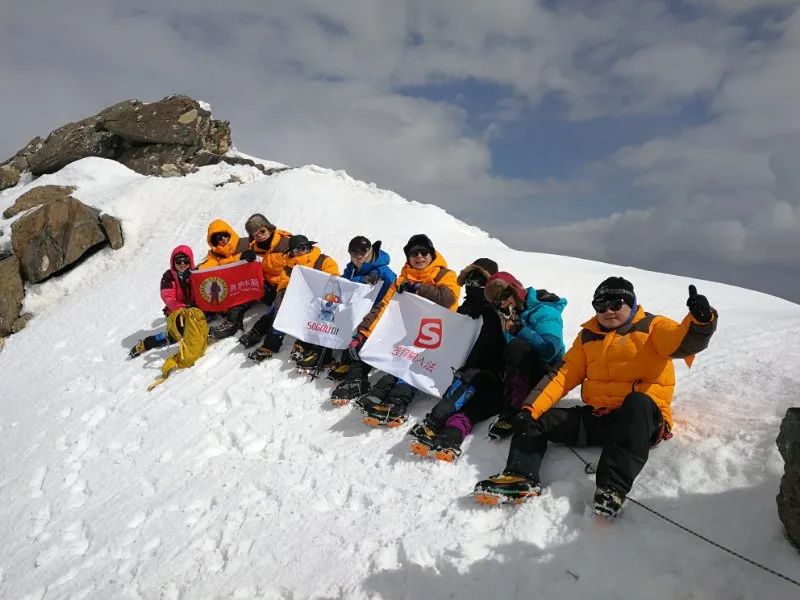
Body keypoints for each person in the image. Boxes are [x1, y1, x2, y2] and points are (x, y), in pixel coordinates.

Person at [474, 277, 718, 518]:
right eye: (601, 306)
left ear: (631, 303)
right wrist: (529, 410)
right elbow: (563, 376)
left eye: (615, 304)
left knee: (638, 401)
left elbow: (682, 341)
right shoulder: (588, 336)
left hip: (640, 422)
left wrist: (701, 322)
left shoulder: (653, 327)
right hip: (600, 418)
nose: (608, 311)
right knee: (537, 418)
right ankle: (520, 477)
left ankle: (611, 489)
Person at [349, 234, 461, 427]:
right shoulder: (402, 279)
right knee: (396, 364)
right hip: (409, 335)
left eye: (423, 252)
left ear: (431, 254)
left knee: (411, 371)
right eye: (413, 253)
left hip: (434, 339)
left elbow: (448, 298)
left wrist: (419, 288)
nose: (419, 257)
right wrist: (363, 332)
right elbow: (384, 307)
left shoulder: (445, 275)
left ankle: (398, 402)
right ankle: (379, 393)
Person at [407, 258, 506, 461]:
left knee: (467, 389)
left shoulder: (495, 314)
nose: (472, 286)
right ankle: (434, 425)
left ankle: (440, 427)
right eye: (469, 281)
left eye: (478, 282)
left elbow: (493, 348)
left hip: (487, 375)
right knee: (462, 385)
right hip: (460, 369)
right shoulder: (466, 309)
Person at [480, 272, 568, 440]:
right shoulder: (509, 316)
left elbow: (550, 350)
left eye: (505, 295)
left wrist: (521, 330)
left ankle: (512, 411)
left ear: (515, 289)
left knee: (517, 346)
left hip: (548, 373)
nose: (503, 302)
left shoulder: (545, 311)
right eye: (498, 301)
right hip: (524, 373)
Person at [247, 235, 339, 365]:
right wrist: (285, 293)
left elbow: (334, 280)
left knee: (315, 315)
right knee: (279, 308)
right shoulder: (290, 266)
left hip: (319, 300)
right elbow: (284, 283)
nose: (300, 252)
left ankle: (303, 344)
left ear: (309, 247)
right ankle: (271, 343)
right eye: (296, 250)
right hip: (299, 299)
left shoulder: (323, 260)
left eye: (303, 248)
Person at [328, 236, 397, 396]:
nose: (359, 255)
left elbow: (395, 290)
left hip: (377, 314)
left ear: (370, 251)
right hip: (358, 310)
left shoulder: (383, 271)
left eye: (363, 251)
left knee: (360, 338)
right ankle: (342, 359)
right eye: (354, 252)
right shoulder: (351, 268)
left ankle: (357, 377)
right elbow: (346, 284)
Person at [237, 214, 293, 348]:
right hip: (269, 289)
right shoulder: (254, 249)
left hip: (287, 287)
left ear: (269, 228)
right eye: (255, 234)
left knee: (279, 304)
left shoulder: (286, 243)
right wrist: (244, 259)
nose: (259, 236)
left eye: (262, 231)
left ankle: (260, 331)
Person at [129, 245, 195, 358]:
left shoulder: (196, 273)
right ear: (173, 262)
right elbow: (167, 297)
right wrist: (182, 308)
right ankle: (148, 343)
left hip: (194, 309)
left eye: (186, 260)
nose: (182, 264)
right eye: (178, 261)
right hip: (176, 312)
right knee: (175, 336)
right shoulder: (168, 277)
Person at [197, 219, 251, 339]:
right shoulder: (215, 254)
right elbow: (208, 265)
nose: (223, 239)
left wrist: (247, 256)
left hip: (247, 287)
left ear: (230, 233)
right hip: (229, 288)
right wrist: (197, 270)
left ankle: (232, 324)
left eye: (225, 235)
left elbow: (260, 255)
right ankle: (200, 317)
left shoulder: (244, 244)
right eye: (218, 238)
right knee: (209, 289)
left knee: (238, 299)